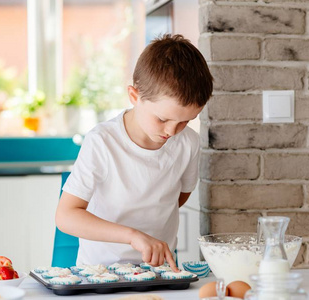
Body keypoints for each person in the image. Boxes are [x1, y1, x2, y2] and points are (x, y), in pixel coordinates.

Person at [56, 34, 213, 271]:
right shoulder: (102, 141)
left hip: (160, 271)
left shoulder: (188, 142)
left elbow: (178, 197)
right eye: (162, 119)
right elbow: (66, 216)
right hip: (100, 272)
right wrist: (133, 235)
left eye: (185, 121)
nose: (172, 131)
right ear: (134, 96)